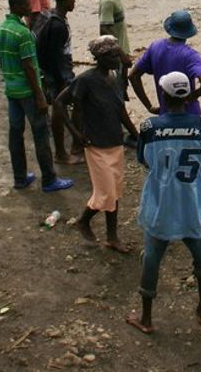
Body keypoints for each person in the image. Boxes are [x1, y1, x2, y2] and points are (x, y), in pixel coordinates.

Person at [126, 70, 201, 335]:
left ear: (162, 95)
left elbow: (143, 159)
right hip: (190, 203)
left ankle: (147, 318)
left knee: (152, 256)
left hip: (160, 204)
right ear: (188, 95)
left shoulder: (150, 128)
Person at [56, 35, 139, 253]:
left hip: (115, 142)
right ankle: (84, 221)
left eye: (116, 54)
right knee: (106, 193)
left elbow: (121, 111)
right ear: (99, 58)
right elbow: (60, 102)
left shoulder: (114, 77)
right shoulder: (86, 80)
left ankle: (112, 237)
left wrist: (136, 135)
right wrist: (75, 134)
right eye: (111, 55)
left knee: (115, 191)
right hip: (96, 144)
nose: (116, 59)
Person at [0, 0, 74, 192]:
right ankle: (49, 179)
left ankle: (20, 177)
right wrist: (40, 95)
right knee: (41, 133)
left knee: (15, 134)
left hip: (11, 90)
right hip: (27, 91)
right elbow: (30, 66)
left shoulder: (2, 29)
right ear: (19, 6)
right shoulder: (23, 34)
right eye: (27, 3)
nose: (31, 6)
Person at [128, 9, 201, 116]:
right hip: (190, 114)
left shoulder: (155, 47)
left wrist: (149, 106)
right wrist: (192, 96)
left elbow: (133, 75)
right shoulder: (191, 56)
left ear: (169, 28)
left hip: (166, 113)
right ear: (190, 31)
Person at [36, 0, 83, 164]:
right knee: (59, 107)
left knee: (63, 105)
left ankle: (71, 146)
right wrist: (62, 80)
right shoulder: (58, 26)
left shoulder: (51, 16)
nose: (75, 1)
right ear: (65, 0)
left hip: (53, 72)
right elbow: (56, 56)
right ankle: (62, 152)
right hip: (58, 74)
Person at [98, 0, 131, 98]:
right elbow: (104, 29)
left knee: (122, 87)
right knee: (116, 91)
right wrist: (121, 54)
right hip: (115, 55)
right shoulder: (109, 2)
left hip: (120, 52)